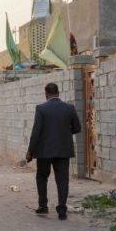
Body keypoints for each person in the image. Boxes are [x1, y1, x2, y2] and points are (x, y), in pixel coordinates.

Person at [25, 83, 82, 220]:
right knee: (62, 180)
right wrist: (65, 133)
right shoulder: (69, 108)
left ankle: (43, 205)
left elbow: (36, 131)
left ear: (46, 93)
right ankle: (62, 210)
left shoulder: (41, 109)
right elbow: (77, 128)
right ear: (58, 93)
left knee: (42, 176)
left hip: (44, 151)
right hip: (64, 150)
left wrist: (30, 151)